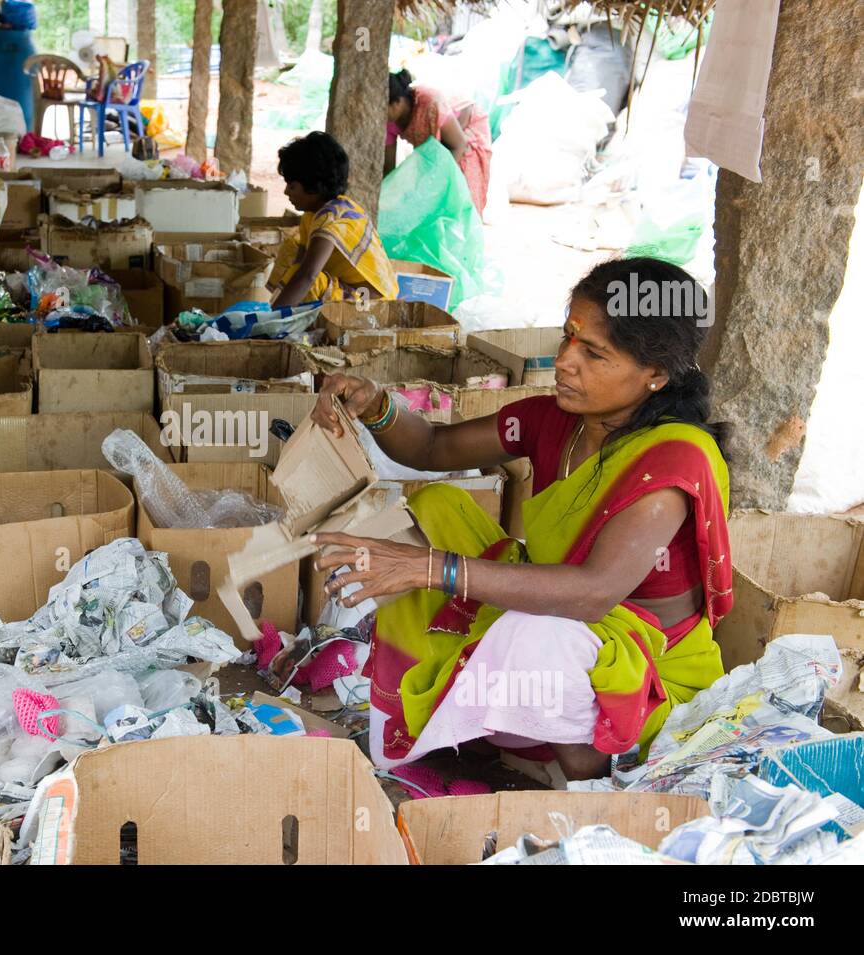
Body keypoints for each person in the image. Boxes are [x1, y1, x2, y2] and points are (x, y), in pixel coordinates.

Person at [310, 257, 730, 781]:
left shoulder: (671, 461)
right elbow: (433, 445)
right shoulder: (554, 418)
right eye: (568, 336)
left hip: (636, 660)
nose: (564, 361)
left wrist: (430, 567)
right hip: (561, 609)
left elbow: (594, 593)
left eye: (594, 353)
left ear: (656, 375)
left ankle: (589, 764)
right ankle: (486, 726)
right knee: (437, 507)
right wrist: (375, 406)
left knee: (533, 637)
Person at [269, 131, 398, 308]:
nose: (286, 192)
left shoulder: (331, 220)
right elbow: (299, 263)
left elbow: (308, 275)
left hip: (372, 304)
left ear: (314, 187)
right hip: (349, 288)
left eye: (292, 186)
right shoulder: (312, 214)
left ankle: (286, 325)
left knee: (311, 285)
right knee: (290, 250)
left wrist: (271, 318)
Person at [386, 69, 492, 215]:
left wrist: (438, 180)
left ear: (397, 102)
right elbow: (388, 171)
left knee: (458, 195)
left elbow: (459, 144)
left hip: (465, 128)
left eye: (384, 109)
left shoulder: (429, 103)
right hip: (439, 144)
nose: (381, 115)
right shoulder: (389, 121)